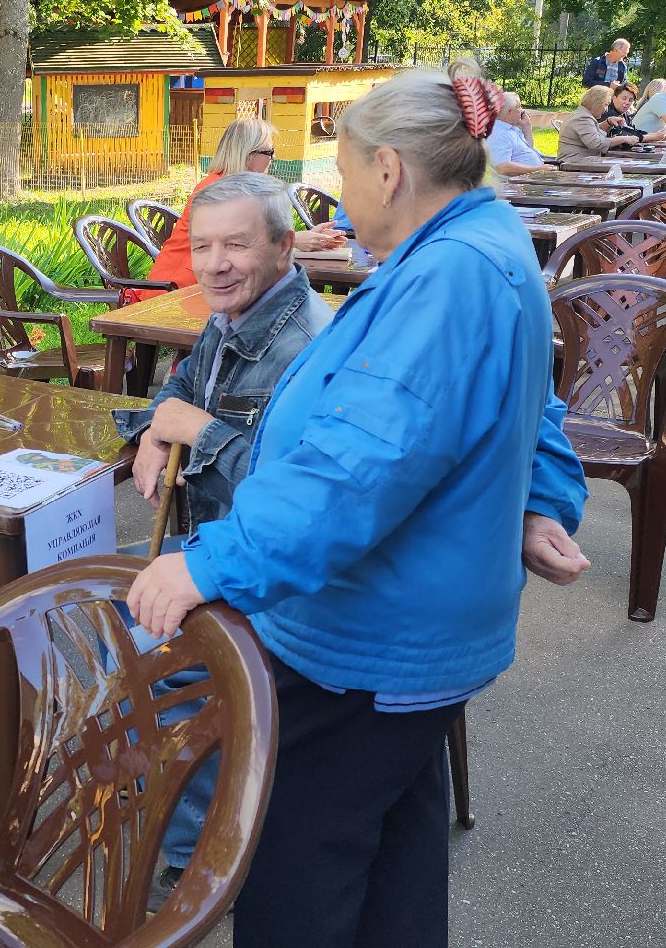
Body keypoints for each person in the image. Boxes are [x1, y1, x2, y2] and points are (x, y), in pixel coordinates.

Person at [125, 64, 591, 947]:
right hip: (414, 637)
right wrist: (540, 502)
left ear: (388, 171)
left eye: (342, 171)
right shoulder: (474, 247)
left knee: (293, 862)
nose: (338, 193)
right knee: (394, 853)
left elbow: (354, 470)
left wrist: (210, 561)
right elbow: (521, 403)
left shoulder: (448, 275)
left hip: (373, 642)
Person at [112, 171, 337, 908]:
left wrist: (197, 432)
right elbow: (180, 385)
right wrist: (154, 428)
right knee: (99, 616)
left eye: (236, 244)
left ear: (283, 246)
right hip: (222, 547)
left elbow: (298, 506)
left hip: (285, 578)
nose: (214, 264)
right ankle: (167, 797)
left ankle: (200, 861)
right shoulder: (235, 317)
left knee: (148, 643)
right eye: (202, 246)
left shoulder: (303, 344)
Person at [137, 118, 342, 301]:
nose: (273, 158)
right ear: (248, 155)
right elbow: (238, 241)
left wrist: (304, 239)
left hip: (211, 283)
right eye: (269, 152)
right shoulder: (215, 190)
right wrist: (295, 240)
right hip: (177, 291)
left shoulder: (236, 188)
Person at [558, 85, 642, 157]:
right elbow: (596, 143)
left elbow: (592, 131)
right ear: (596, 103)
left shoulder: (582, 115)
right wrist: (624, 139)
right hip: (574, 164)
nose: (606, 109)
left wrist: (608, 122)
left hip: (581, 162)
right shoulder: (582, 118)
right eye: (605, 104)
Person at [484, 92, 548, 177]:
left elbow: (528, 149)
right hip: (519, 185)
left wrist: (527, 126)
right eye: (519, 107)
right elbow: (502, 167)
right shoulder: (499, 133)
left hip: (529, 180)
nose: (522, 111)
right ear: (510, 112)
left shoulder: (510, 129)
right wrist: (537, 169)